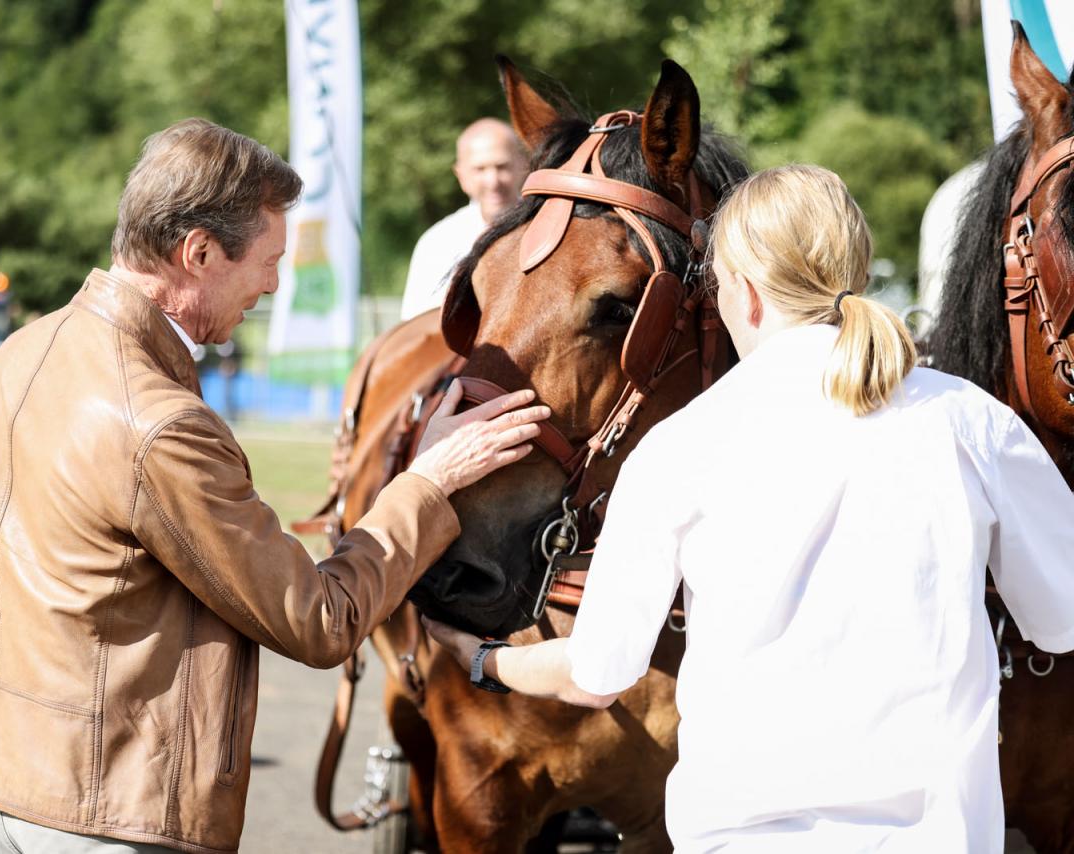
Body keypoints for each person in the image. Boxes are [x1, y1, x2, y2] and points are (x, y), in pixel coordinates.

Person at [0, 118, 551, 854]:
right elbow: (319, 619)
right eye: (268, 260)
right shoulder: (160, 426)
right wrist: (429, 480)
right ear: (198, 252)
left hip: (2, 785)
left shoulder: (17, 354)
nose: (272, 283)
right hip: (104, 809)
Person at [426, 165, 1074, 852]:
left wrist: (481, 659)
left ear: (740, 290)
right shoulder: (974, 422)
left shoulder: (677, 448)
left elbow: (595, 674)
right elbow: (1060, 622)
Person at [398, 118, 528, 320]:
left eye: (502, 167)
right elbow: (418, 331)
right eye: (480, 169)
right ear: (461, 175)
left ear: (523, 165)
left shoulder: (548, 231)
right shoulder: (436, 243)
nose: (492, 181)